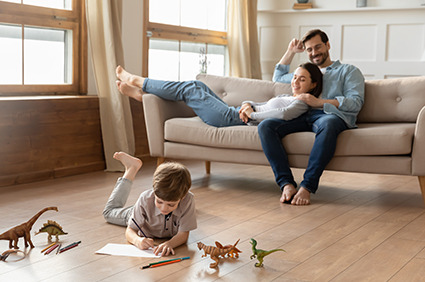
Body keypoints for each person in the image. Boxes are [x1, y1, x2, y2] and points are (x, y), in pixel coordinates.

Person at [258, 29, 365, 206]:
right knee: (266, 126)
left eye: (318, 47)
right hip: (300, 115)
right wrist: (291, 52)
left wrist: (319, 102)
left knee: (329, 124)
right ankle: (286, 184)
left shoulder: (348, 71)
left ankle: (307, 186)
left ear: (328, 45)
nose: (314, 53)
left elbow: (355, 102)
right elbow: (277, 77)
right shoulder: (306, 73)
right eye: (309, 49)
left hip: (328, 115)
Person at [115, 63, 323, 127]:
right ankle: (142, 96)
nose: (295, 82)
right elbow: (263, 104)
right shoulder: (290, 96)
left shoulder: (303, 103)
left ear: (313, 85)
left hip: (232, 118)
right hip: (236, 111)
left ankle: (139, 82)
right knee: (197, 84)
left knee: (191, 89)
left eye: (301, 80)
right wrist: (248, 104)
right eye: (294, 77)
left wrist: (250, 115)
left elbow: (280, 116)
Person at [103, 152, 197, 256]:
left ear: (182, 197)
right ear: (154, 192)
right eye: (159, 201)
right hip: (138, 212)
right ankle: (131, 169)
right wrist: (137, 241)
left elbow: (184, 234)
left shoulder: (188, 200)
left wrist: (169, 244)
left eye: (170, 205)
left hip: (151, 214)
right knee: (108, 212)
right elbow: (130, 230)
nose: (164, 208)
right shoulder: (145, 199)